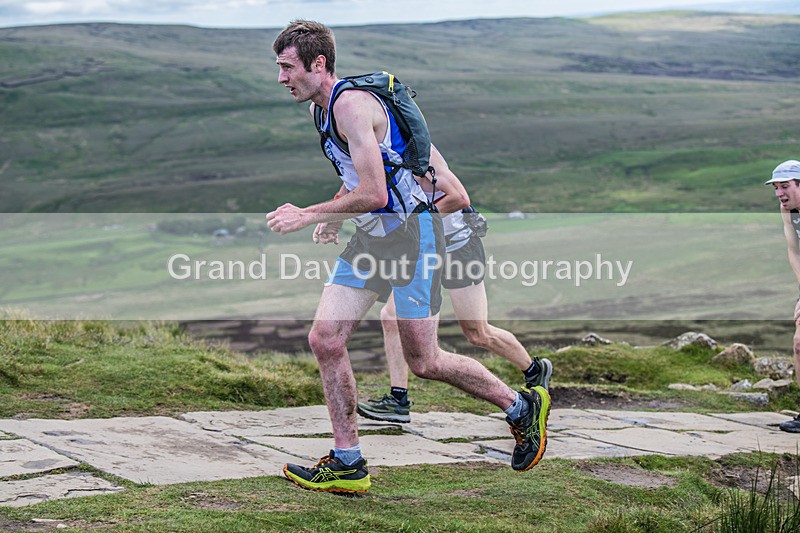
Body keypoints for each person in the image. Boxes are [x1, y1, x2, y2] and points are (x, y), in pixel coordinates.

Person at [267, 19, 551, 493]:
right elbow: (360, 176)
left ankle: (521, 407)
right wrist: (335, 214)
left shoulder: (351, 106)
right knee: (325, 338)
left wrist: (308, 213)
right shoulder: (321, 110)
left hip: (414, 238)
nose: (281, 78)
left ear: (318, 64)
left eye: (287, 67)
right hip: (372, 239)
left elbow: (376, 193)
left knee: (425, 361)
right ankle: (348, 461)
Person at [357, 159, 553, 424]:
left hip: (458, 248)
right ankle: (398, 400)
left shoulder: (417, 156)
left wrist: (415, 224)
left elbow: (459, 198)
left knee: (477, 332)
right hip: (423, 251)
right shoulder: (373, 159)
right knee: (391, 316)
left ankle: (534, 370)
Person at [767, 159, 800, 433]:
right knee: (799, 345)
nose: (779, 193)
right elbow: (794, 251)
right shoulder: (787, 210)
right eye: (776, 187)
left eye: (785, 186)